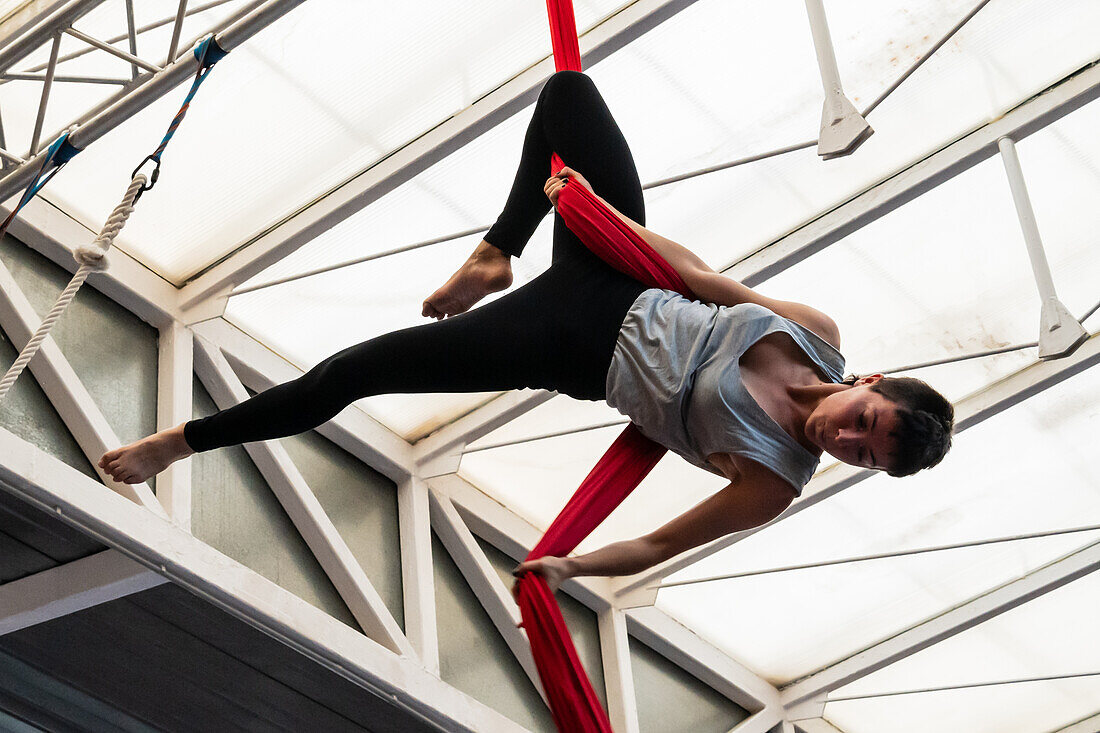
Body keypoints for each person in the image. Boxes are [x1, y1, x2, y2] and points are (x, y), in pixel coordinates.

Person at [100, 71, 953, 590]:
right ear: (868, 381)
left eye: (862, 456)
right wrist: (584, 212)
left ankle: (180, 441)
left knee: (351, 372)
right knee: (567, 98)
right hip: (621, 270)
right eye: (865, 422)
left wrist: (574, 565)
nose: (846, 438)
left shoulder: (770, 483)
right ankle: (497, 250)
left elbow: (659, 540)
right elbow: (699, 278)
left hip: (565, 344)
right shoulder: (816, 332)